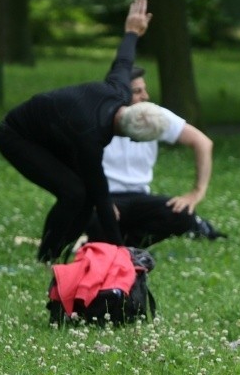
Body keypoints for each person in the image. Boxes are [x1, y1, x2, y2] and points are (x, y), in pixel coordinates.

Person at [0, 0, 168, 263]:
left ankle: (61, 252)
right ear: (131, 136)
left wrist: (132, 32)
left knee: (83, 195)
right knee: (74, 193)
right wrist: (124, 255)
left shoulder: (120, 91)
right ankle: (47, 258)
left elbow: (124, 61)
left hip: (56, 133)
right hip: (18, 135)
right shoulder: (91, 137)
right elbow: (102, 197)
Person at [85, 66, 225, 248]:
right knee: (95, 217)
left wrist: (197, 192)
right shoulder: (92, 120)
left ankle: (128, 245)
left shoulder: (152, 115)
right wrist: (96, 199)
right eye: (137, 91)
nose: (145, 96)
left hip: (140, 197)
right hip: (103, 196)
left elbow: (203, 142)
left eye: (145, 90)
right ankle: (110, 244)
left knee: (182, 214)